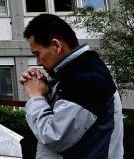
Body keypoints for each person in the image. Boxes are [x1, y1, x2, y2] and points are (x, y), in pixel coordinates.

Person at [20, 13, 123, 159]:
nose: (37, 62)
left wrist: (36, 97)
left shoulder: (87, 80)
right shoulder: (74, 74)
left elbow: (55, 137)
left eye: (38, 54)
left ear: (56, 45)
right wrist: (47, 91)